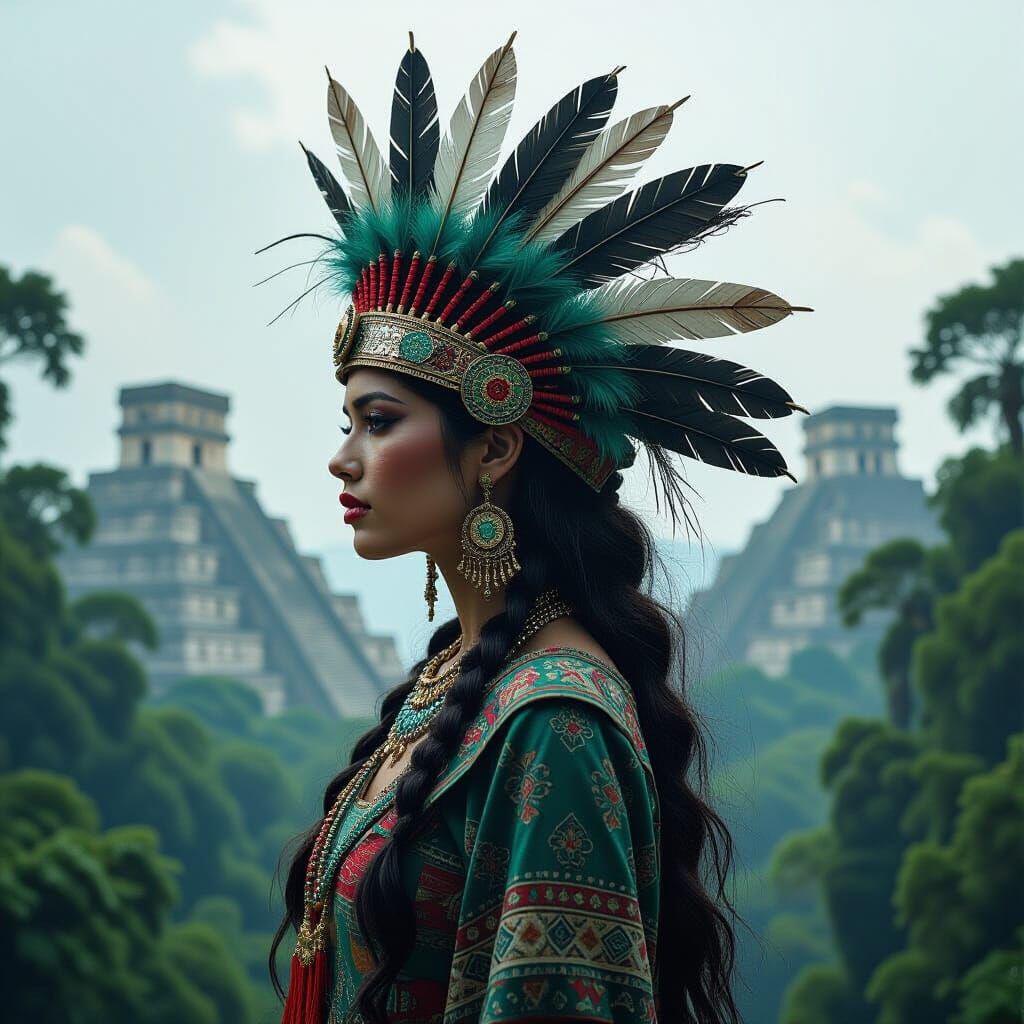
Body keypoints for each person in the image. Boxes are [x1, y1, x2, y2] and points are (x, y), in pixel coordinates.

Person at [267, 31, 807, 1024]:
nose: (343, 459)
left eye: (378, 422)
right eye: (346, 422)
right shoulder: (453, 681)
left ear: (495, 447)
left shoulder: (556, 719)